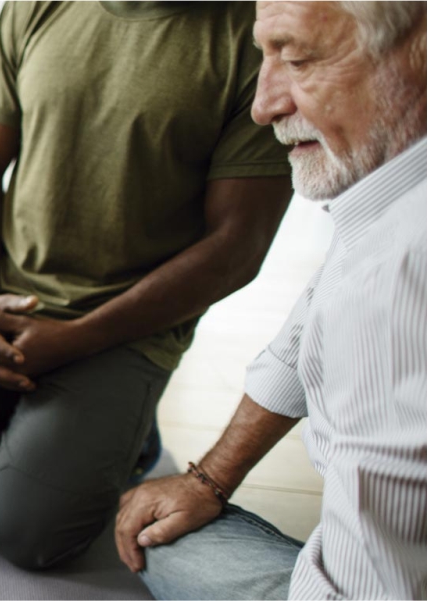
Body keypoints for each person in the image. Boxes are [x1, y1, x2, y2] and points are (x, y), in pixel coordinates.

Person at [0, 1, 297, 570]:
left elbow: (236, 248)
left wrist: (78, 337)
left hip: (125, 329)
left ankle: (123, 441)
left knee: (27, 533)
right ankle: (45, 436)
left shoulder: (254, 39)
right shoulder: (36, 6)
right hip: (4, 300)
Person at [117, 2, 427, 598]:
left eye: (299, 59)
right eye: (266, 55)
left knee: (155, 543)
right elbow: (309, 324)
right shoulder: (391, 194)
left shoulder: (395, 284)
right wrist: (209, 479)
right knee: (161, 529)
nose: (263, 105)